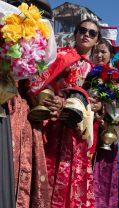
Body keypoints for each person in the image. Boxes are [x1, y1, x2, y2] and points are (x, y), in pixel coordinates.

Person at [27, 18, 101, 207]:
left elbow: (97, 102)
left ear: (96, 40)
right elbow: (40, 82)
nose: (86, 35)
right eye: (82, 30)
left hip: (76, 128)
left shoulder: (95, 71)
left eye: (92, 33)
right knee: (49, 167)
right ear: (75, 34)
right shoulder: (60, 55)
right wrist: (53, 99)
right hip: (52, 122)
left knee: (72, 169)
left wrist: (95, 105)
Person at [0, 1, 54, 207]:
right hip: (9, 104)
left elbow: (41, 83)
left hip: (24, 110)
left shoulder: (39, 43)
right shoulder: (8, 26)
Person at [90, 39, 119, 208]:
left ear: (111, 56)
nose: (99, 55)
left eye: (103, 52)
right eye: (96, 52)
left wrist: (105, 113)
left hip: (108, 132)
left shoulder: (115, 79)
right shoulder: (87, 72)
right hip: (88, 130)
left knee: (106, 171)